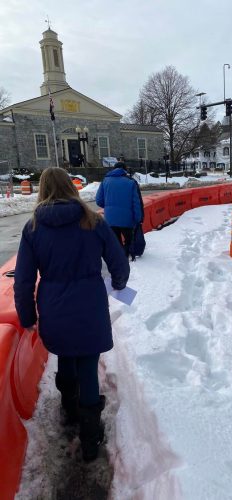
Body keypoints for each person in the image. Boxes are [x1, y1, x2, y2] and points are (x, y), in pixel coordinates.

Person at [14, 167, 129, 462]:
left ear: (42, 190)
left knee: (65, 356)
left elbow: (24, 280)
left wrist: (26, 317)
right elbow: (118, 260)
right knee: (88, 364)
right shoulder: (93, 221)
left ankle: (69, 407)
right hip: (90, 304)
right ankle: (91, 437)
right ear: (71, 188)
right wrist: (118, 284)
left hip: (54, 307)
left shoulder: (33, 227)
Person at [96, 162, 142, 257]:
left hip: (110, 219)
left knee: (116, 242)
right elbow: (136, 203)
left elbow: (99, 200)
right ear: (124, 170)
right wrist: (138, 219)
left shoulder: (105, 181)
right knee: (128, 241)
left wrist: (109, 207)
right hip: (127, 219)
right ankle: (128, 258)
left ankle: (120, 258)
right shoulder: (130, 182)